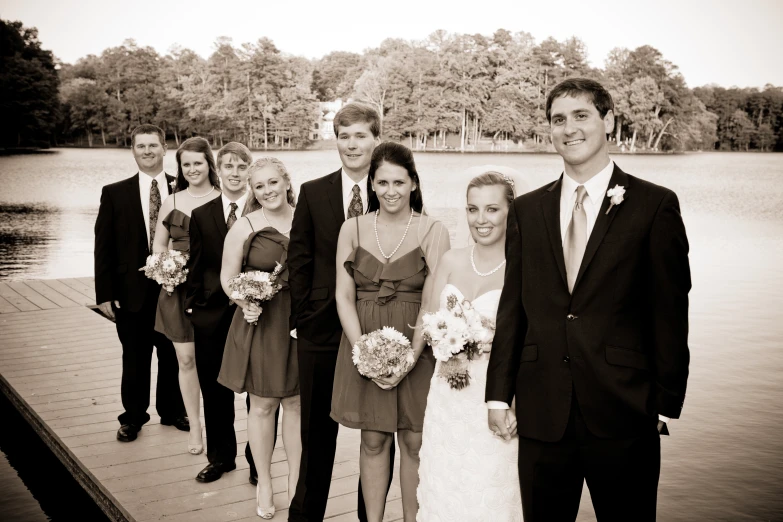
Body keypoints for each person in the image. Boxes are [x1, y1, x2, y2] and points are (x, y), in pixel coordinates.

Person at [486, 78, 691, 521]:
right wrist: (498, 396)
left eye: (581, 116)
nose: (568, 128)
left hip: (625, 409)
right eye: (558, 119)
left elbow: (670, 311)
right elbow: (513, 308)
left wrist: (663, 402)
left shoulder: (655, 205)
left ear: (608, 121)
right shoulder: (527, 209)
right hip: (541, 410)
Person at [331, 142, 450, 521]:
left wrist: (412, 356)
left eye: (399, 181)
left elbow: (434, 300)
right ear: (372, 184)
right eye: (382, 182)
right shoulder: (352, 227)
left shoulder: (433, 229)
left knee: (415, 441)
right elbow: (342, 295)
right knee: (373, 438)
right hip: (362, 342)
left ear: (414, 183)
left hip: (419, 343)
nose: (391, 191)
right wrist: (363, 351)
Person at [288, 103, 393, 522]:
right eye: (344, 135)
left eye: (361, 135)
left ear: (376, 140)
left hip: (381, 329)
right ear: (336, 140)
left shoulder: (393, 188)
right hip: (321, 329)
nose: (352, 144)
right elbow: (298, 258)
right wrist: (303, 318)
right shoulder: (314, 192)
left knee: (378, 433)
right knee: (316, 432)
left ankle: (371, 516)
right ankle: (306, 515)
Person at [416, 171, 524, 522]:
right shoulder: (450, 261)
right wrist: (447, 340)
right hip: (448, 394)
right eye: (472, 209)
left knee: (489, 487)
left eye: (492, 209)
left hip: (496, 394)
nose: (480, 219)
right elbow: (431, 323)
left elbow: (529, 342)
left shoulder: (523, 268)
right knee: (446, 483)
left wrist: (516, 401)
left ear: (511, 210)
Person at [218, 157, 301, 519]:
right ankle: (265, 480)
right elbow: (227, 277)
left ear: (286, 182)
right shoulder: (244, 226)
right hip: (262, 322)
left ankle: (297, 484)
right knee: (264, 405)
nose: (267, 191)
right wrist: (244, 301)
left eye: (272, 183)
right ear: (252, 191)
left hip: (298, 323)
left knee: (297, 406)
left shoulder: (307, 218)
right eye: (259, 186)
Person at [95, 124, 187, 443]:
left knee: (172, 354)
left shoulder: (184, 190)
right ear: (132, 151)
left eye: (153, 145)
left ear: (165, 149)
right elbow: (103, 247)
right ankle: (132, 417)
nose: (147, 151)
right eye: (140, 146)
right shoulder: (114, 193)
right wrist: (104, 294)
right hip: (130, 292)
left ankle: (172, 411)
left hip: (174, 289)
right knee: (134, 357)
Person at [185, 142, 261, 484]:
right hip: (212, 315)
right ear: (219, 170)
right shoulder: (202, 215)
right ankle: (221, 457)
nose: (234, 172)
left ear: (250, 170)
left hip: (257, 314)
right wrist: (195, 308)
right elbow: (197, 266)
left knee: (259, 391)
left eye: (241, 166)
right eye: (227, 166)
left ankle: (257, 460)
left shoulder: (265, 211)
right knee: (215, 391)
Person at [152, 137, 221, 455]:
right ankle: (195, 427)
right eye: (186, 164)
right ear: (180, 168)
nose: (193, 169)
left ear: (210, 164)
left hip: (213, 293)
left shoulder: (224, 199)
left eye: (198, 162)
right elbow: (158, 247)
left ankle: (222, 427)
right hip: (176, 292)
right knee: (186, 359)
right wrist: (166, 269)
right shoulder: (172, 202)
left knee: (216, 363)